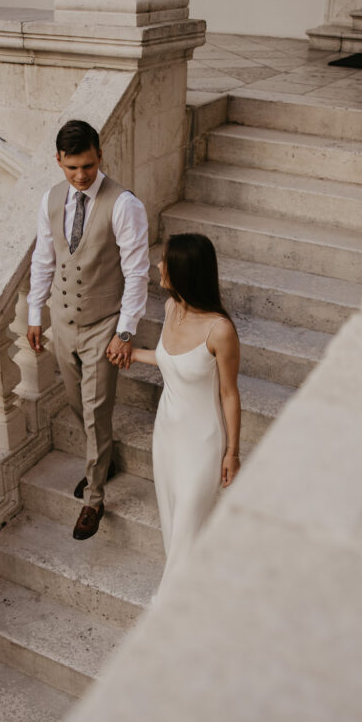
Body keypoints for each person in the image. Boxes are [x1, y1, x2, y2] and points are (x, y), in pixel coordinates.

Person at [27, 120, 149, 540]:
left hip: (103, 325)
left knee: (96, 412)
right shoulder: (50, 200)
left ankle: (93, 498)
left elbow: (137, 273)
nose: (81, 176)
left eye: (90, 165)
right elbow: (45, 258)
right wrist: (34, 313)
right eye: (73, 167)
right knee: (78, 405)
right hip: (61, 322)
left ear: (101, 155)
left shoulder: (124, 204)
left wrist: (126, 331)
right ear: (58, 161)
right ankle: (105, 459)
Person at [122, 233, 241, 585]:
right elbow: (169, 361)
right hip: (167, 435)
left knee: (188, 525)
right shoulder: (172, 308)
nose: (159, 265)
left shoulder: (220, 331)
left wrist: (232, 452)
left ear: (184, 271)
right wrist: (130, 354)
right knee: (174, 524)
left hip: (203, 441)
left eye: (165, 261)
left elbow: (230, 394)